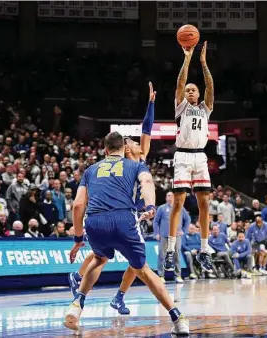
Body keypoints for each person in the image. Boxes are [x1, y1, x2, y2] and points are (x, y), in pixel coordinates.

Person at [63, 131, 189, 335]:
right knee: (143, 270)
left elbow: (77, 205)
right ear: (123, 149)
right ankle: (178, 318)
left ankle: (76, 305)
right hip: (123, 219)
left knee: (98, 258)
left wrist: (78, 239)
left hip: (94, 221)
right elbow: (147, 183)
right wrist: (150, 206)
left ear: (105, 150)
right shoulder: (136, 165)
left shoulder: (90, 170)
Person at [68, 83, 159, 316]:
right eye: (132, 141)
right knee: (114, 257)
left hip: (136, 212)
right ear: (126, 149)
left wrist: (151, 103)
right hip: (123, 211)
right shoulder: (129, 164)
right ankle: (87, 281)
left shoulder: (141, 158)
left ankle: (107, 291)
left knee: (119, 258)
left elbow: (147, 127)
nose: (138, 142)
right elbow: (144, 131)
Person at [165, 41, 215, 273]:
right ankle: (170, 251)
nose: (191, 91)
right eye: (188, 90)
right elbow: (180, 82)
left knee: (205, 203)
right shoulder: (181, 107)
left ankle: (204, 250)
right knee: (178, 203)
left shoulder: (205, 108)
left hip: (200, 157)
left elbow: (210, 88)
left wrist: (204, 64)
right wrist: (187, 58)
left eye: (193, 89)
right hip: (183, 157)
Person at [154, 191, 190, 284]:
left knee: (177, 255)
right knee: (162, 255)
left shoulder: (180, 208)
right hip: (164, 236)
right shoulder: (161, 208)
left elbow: (188, 219)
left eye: (171, 196)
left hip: (176, 236)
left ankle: (178, 275)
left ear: (174, 197)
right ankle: (161, 275)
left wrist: (183, 230)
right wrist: (157, 233)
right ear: (166, 198)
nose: (170, 197)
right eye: (168, 196)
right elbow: (156, 221)